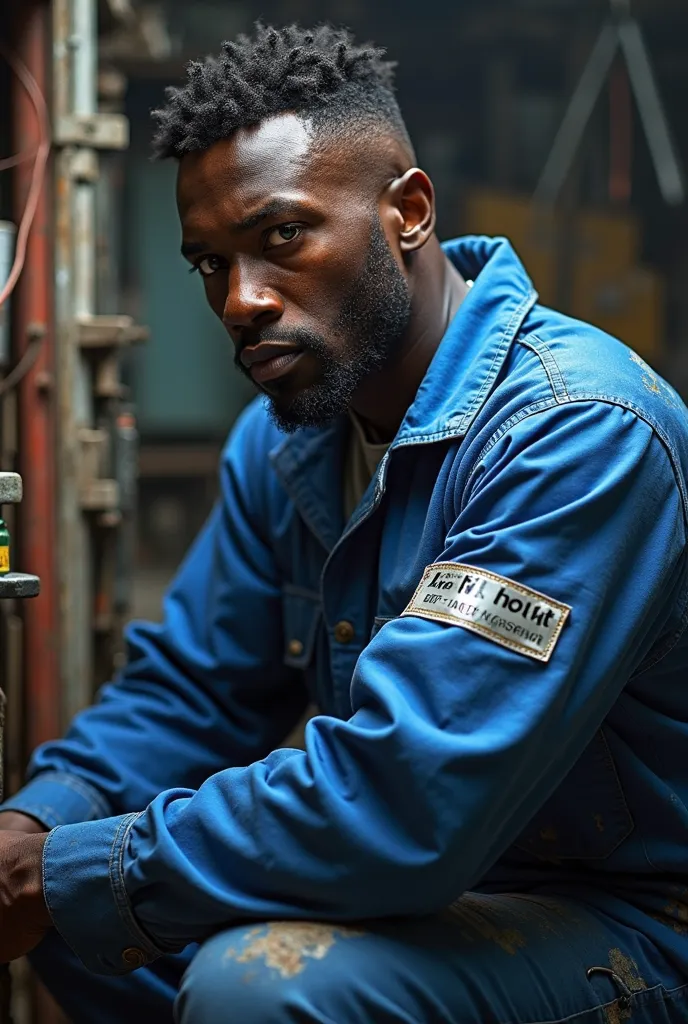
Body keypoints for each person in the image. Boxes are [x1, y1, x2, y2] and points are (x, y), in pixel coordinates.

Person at [1, 21, 687, 1024]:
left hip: (632, 921)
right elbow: (189, 692)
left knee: (256, 981)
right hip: (441, 899)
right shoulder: (289, 441)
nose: (241, 300)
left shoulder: (576, 432)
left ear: (407, 212)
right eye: (208, 263)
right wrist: (33, 828)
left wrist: (71, 870)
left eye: (282, 237)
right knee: (74, 913)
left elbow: (404, 803)